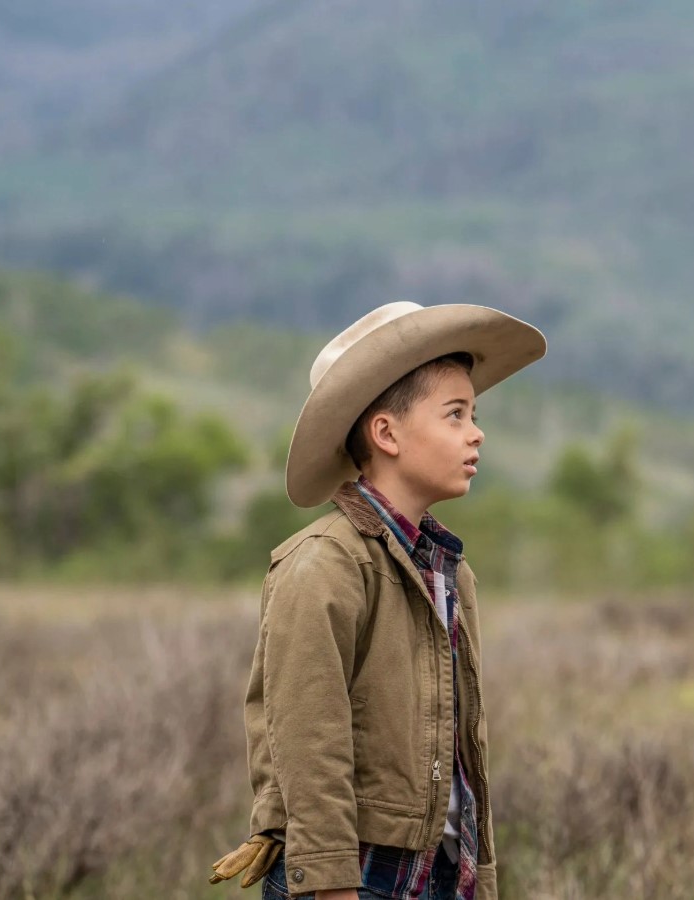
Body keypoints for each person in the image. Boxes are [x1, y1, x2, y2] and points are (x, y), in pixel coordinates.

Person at [208, 301, 546, 899]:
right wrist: (330, 881)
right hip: (360, 878)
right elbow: (308, 742)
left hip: (440, 873)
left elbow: (464, 753)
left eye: (473, 413)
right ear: (386, 433)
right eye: (455, 414)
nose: (476, 432)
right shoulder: (324, 564)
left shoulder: (452, 572)